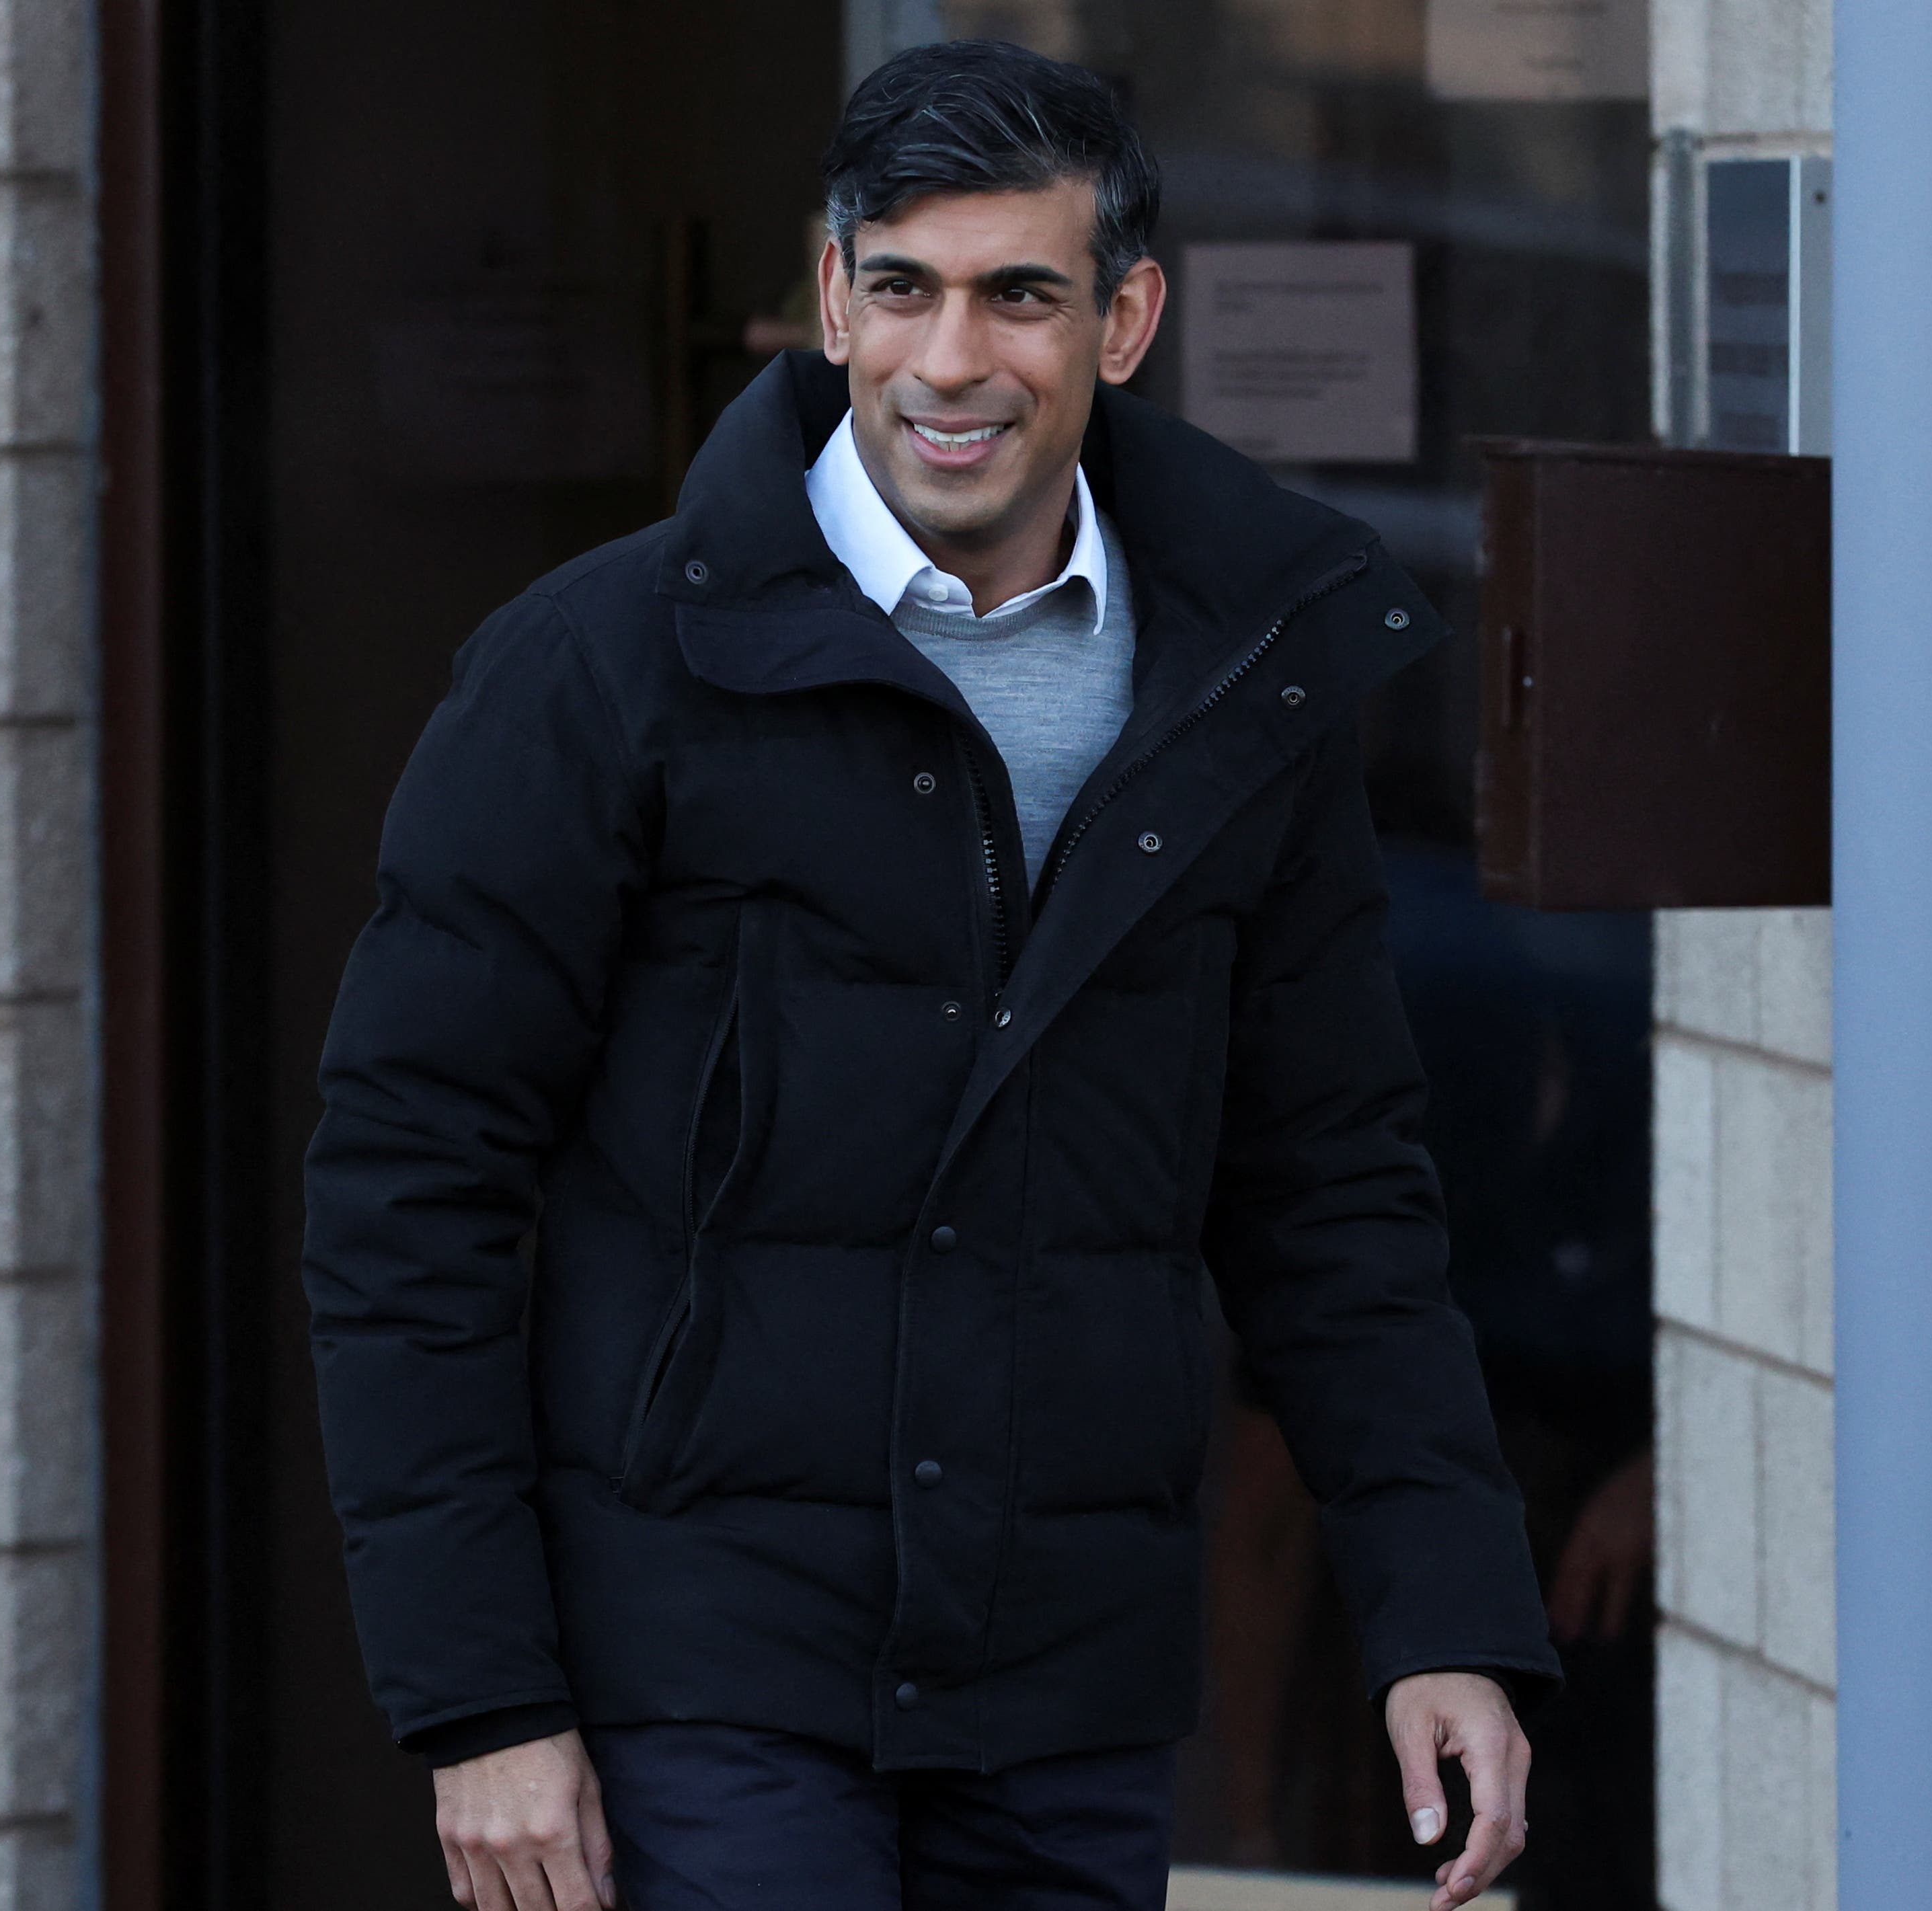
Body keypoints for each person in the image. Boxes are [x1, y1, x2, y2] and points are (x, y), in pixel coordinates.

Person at [301, 38, 1556, 1911]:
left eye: (1018, 296)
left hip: (1068, 1679)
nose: (949, 361)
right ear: (833, 300)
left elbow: (1333, 1188)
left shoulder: (1246, 684)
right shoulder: (600, 670)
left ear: (1125, 319)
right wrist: (482, 1691)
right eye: (902, 288)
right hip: (706, 1662)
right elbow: (409, 1184)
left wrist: (1444, 1605)